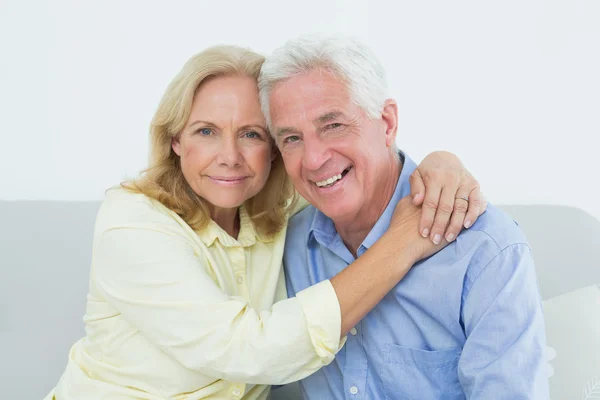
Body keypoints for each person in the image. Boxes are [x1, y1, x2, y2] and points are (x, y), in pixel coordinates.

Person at [45, 45, 486, 400]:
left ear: (274, 147)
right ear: (175, 140)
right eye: (205, 131)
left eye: (252, 134)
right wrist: (403, 242)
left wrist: (440, 163)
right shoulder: (132, 224)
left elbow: (348, 167)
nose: (230, 157)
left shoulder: (275, 207)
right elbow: (245, 350)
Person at [259, 34, 550, 399]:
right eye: (291, 139)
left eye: (333, 125)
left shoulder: (486, 250)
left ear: (387, 122)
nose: (314, 159)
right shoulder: (285, 246)